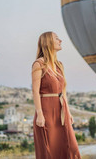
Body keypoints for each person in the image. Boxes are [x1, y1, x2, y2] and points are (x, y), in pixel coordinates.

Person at [32, 31, 81, 159]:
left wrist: (68, 112)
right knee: (51, 149)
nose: (60, 41)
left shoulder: (59, 66)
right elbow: (35, 91)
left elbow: (63, 92)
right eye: (57, 38)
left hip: (62, 111)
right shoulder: (39, 64)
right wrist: (40, 114)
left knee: (72, 147)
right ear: (48, 42)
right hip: (47, 111)